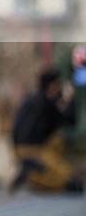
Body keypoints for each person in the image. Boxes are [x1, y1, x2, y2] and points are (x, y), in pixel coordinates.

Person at [10, 64, 82, 194]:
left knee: (59, 140)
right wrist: (69, 99)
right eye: (58, 84)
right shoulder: (45, 103)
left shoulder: (33, 100)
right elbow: (69, 120)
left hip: (20, 148)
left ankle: (32, 172)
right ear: (52, 85)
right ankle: (34, 171)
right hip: (31, 150)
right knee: (64, 174)